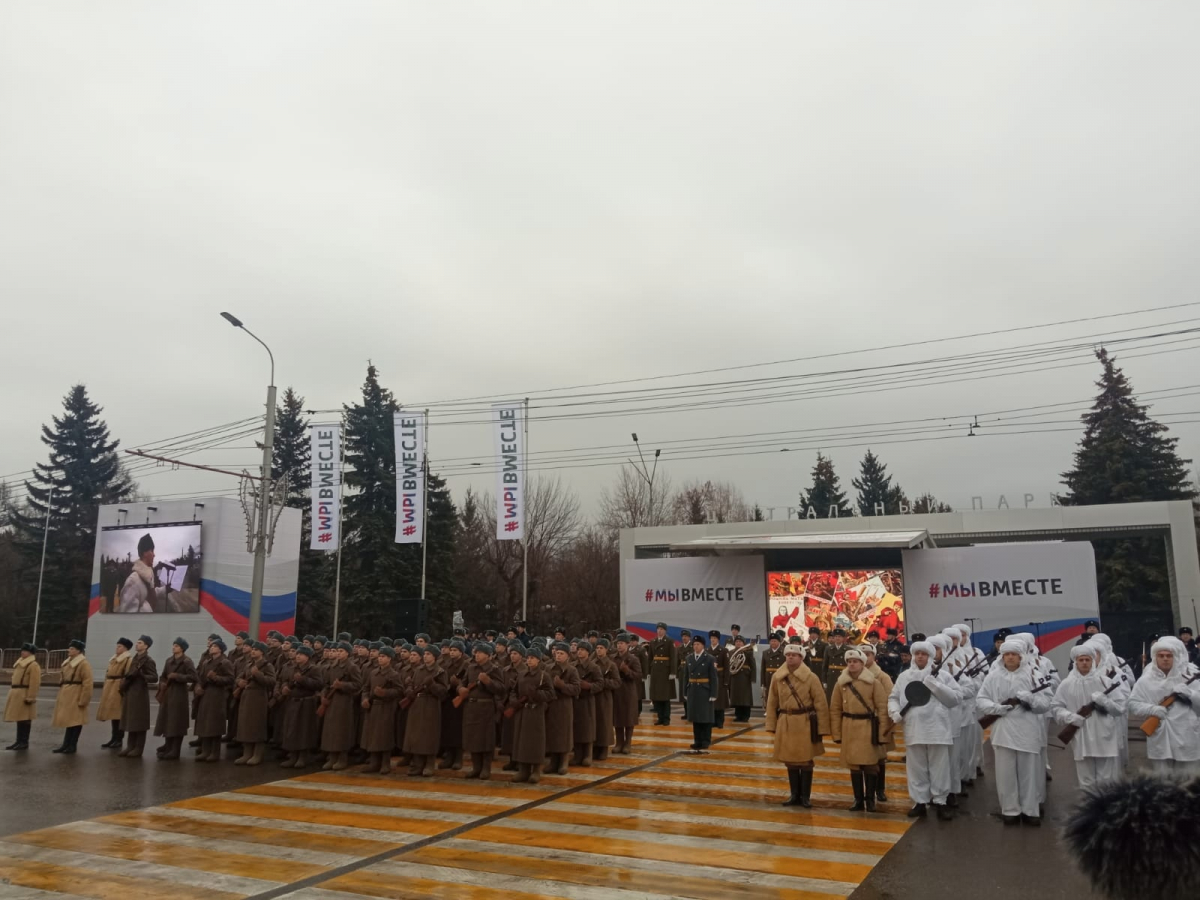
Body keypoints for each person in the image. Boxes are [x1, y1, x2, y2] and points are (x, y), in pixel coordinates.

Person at [976, 637, 1051, 826]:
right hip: (1003, 731)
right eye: (1007, 654)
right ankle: (1010, 810)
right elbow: (981, 699)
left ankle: (1030, 810)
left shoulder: (1035, 675)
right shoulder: (993, 676)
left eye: (1014, 655)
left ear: (1021, 656)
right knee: (1005, 774)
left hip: (1028, 731)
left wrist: (1031, 700)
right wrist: (995, 708)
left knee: (1030, 774)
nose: (1010, 658)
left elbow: (1046, 703)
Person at [887, 640, 960, 820]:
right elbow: (894, 697)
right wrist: (894, 712)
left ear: (929, 656)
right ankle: (919, 801)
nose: (920, 656)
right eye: (917, 653)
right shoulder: (904, 677)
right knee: (916, 768)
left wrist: (936, 685)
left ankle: (941, 801)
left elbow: (955, 699)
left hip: (937, 729)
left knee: (939, 768)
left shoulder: (942, 676)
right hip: (914, 728)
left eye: (924, 654)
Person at [1050, 642, 1129, 790]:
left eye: (1088, 660)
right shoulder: (1066, 684)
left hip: (1105, 736)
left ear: (1093, 661)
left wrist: (1105, 702)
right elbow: (1055, 707)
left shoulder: (1106, 682)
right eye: (1081, 660)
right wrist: (1070, 717)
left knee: (1107, 781)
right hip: (1081, 738)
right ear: (1076, 662)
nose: (1084, 663)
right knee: (1086, 782)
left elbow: (1120, 708)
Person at [764, 642, 829, 807]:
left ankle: (805, 797)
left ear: (801, 658)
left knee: (806, 760)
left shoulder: (811, 677)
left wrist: (823, 728)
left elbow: (820, 703)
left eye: (794, 655)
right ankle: (794, 795)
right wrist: (771, 724)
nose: (790, 657)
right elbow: (772, 702)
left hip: (805, 723)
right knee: (790, 760)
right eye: (788, 655)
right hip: (785, 721)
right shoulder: (778, 677)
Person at [1127, 636, 1200, 778]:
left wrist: (1190, 694)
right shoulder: (1145, 681)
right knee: (1162, 784)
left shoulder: (1192, 678)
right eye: (1161, 656)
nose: (1165, 659)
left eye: (1169, 656)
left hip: (1187, 736)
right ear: (1155, 658)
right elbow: (1132, 704)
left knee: (1189, 782)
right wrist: (1152, 709)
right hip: (1159, 738)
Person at [830, 649, 891, 811]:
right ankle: (858, 799)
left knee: (870, 764)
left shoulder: (874, 683)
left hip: (868, 727)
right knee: (854, 765)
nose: (852, 664)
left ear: (862, 664)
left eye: (855, 661)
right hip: (849, 726)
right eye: (849, 661)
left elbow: (882, 708)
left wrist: (883, 732)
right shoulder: (840, 683)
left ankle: (870, 799)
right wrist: (836, 733)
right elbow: (835, 709)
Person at [508, 645, 555, 783]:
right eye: (528, 658)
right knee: (521, 741)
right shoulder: (522, 674)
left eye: (532, 658)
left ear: (538, 660)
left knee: (535, 742)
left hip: (536, 712)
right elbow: (513, 691)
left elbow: (551, 694)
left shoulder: (543, 676)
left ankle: (535, 770)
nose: (529, 660)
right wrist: (514, 701)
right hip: (522, 711)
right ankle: (523, 770)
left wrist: (537, 694)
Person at [403, 645, 449, 777]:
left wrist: (432, 685)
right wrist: (409, 691)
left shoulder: (440, 671)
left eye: (428, 654)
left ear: (434, 656)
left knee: (429, 735)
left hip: (431, 705)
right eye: (425, 654)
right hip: (417, 704)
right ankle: (417, 764)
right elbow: (411, 683)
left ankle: (429, 764)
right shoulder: (419, 669)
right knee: (416, 735)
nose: (426, 656)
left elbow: (443, 692)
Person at [360, 646, 402, 774]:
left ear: (389, 659)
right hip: (373, 707)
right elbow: (366, 688)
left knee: (385, 736)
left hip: (386, 707)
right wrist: (365, 699)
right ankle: (374, 762)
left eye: (383, 657)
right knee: (372, 736)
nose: (380, 659)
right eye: (379, 656)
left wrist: (385, 693)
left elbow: (399, 690)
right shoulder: (373, 673)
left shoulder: (394, 674)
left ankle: (385, 763)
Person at [280, 645, 322, 769]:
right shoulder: (293, 668)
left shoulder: (314, 669)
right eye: (297, 654)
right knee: (292, 730)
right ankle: (293, 755)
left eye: (301, 654)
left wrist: (303, 680)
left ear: (307, 657)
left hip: (306, 703)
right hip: (292, 701)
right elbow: (285, 680)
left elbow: (319, 684)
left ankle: (303, 756)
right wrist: (284, 688)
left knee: (303, 731)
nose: (297, 656)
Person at [155, 637, 197, 760]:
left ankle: (175, 751)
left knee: (177, 722)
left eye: (177, 646)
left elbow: (193, 677)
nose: (174, 647)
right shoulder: (169, 661)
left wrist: (178, 676)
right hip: (168, 693)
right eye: (173, 645)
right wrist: (162, 683)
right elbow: (163, 676)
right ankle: (168, 747)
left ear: (182, 648)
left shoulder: (187, 661)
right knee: (167, 720)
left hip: (179, 694)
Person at [233, 641, 274, 766]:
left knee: (257, 725)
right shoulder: (249, 664)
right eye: (253, 649)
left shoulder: (267, 665)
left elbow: (271, 681)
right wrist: (239, 682)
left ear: (262, 652)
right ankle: (247, 753)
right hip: (247, 696)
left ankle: (257, 754)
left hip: (259, 697)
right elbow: (239, 676)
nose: (253, 651)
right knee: (246, 725)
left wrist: (258, 674)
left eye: (256, 649)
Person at [194, 639, 235, 763]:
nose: (212, 648)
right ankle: (205, 750)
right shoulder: (207, 662)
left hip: (218, 695)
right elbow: (200, 678)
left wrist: (216, 678)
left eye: (215, 646)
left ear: (220, 649)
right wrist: (198, 687)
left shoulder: (225, 662)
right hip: (206, 695)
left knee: (215, 724)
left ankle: (214, 752)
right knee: (205, 722)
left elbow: (230, 679)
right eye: (211, 646)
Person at [50, 640, 93, 754]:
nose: (69, 650)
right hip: (67, 693)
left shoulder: (83, 663)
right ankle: (66, 744)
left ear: (78, 651)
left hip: (76, 694)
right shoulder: (68, 662)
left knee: (76, 721)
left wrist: (84, 699)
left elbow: (87, 683)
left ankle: (72, 745)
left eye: (72, 648)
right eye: (70, 648)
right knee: (69, 721)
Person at [118, 636, 158, 758]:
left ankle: (138, 748)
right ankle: (130, 746)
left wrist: (142, 675)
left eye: (140, 643)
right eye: (137, 642)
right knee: (131, 720)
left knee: (139, 721)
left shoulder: (148, 660)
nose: (137, 644)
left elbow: (154, 677)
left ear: (146, 646)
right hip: (131, 692)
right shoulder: (135, 659)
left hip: (140, 694)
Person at [546, 642, 581, 775]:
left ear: (567, 655)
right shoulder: (549, 668)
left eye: (561, 653)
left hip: (564, 704)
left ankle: (564, 761)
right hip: (551, 704)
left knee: (564, 733)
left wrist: (562, 686)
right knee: (553, 732)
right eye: (557, 653)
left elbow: (577, 689)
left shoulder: (572, 670)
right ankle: (554, 761)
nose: (558, 655)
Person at [684, 634, 720, 754]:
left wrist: (714, 693)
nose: (695, 646)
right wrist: (685, 691)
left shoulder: (709, 658)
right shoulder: (689, 658)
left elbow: (714, 677)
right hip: (693, 690)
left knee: (705, 717)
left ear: (703, 645)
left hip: (705, 690)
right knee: (695, 717)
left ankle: (706, 740)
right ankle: (697, 740)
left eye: (698, 644)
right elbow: (686, 676)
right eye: (694, 644)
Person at [118, 533, 171, 613]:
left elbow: (150, 593)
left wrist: (166, 589)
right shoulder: (132, 582)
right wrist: (148, 605)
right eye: (152, 551)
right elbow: (127, 619)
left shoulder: (149, 574)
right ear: (145, 553)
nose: (154, 554)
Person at [98, 637, 134, 749]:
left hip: (118, 688)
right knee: (113, 715)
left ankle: (119, 739)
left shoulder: (128, 659)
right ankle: (113, 738)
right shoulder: (114, 659)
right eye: (117, 645)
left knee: (118, 715)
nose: (117, 648)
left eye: (120, 646)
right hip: (110, 687)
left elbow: (128, 675)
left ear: (125, 648)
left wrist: (123, 689)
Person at [5, 643, 41, 750]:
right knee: (19, 719)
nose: (22, 652)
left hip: (24, 693)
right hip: (17, 692)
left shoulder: (33, 665)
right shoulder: (20, 663)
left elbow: (35, 683)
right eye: (22, 650)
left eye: (25, 651)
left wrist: (31, 697)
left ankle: (24, 742)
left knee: (25, 719)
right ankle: (18, 741)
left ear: (30, 653)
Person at [572, 642, 602, 767]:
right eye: (578, 649)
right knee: (576, 728)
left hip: (587, 700)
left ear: (588, 652)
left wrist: (589, 686)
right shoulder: (572, 666)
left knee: (588, 728)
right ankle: (577, 755)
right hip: (576, 700)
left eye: (583, 650)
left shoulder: (594, 667)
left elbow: (600, 684)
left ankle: (588, 755)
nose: (579, 652)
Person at [613, 634, 642, 754]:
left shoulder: (633, 659)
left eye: (622, 643)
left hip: (628, 690)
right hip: (616, 690)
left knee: (629, 717)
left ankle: (628, 743)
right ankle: (619, 742)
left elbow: (638, 675)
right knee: (618, 717)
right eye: (618, 643)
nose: (619, 645)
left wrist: (627, 671)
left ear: (627, 644)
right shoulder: (613, 658)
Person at [647, 623, 677, 726]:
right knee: (656, 696)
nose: (659, 631)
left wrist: (673, 672)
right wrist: (648, 671)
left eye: (661, 629)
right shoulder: (653, 641)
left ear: (665, 631)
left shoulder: (669, 641)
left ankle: (666, 718)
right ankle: (660, 717)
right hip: (655, 670)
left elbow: (673, 657)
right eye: (658, 629)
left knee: (665, 696)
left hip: (665, 670)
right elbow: (650, 657)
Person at [728, 635, 757, 723]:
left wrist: (753, 678)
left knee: (745, 697)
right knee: (736, 697)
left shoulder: (748, 651)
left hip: (745, 676)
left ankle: (746, 716)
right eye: (737, 642)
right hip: (734, 676)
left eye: (740, 642)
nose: (738, 643)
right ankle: (738, 715)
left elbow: (753, 665)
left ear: (743, 643)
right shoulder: (731, 652)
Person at [707, 630, 731, 729]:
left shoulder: (723, 650)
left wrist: (726, 681)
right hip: (710, 678)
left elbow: (727, 667)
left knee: (720, 701)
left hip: (720, 677)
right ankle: (713, 721)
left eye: (715, 638)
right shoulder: (707, 650)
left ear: (718, 639)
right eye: (711, 638)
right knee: (712, 701)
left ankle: (720, 721)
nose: (713, 640)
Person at [822, 629, 850, 699]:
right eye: (836, 636)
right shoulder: (828, 649)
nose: (837, 638)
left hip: (843, 675)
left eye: (839, 636)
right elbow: (825, 666)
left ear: (843, 638)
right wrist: (824, 681)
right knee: (831, 697)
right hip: (831, 677)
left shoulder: (848, 649)